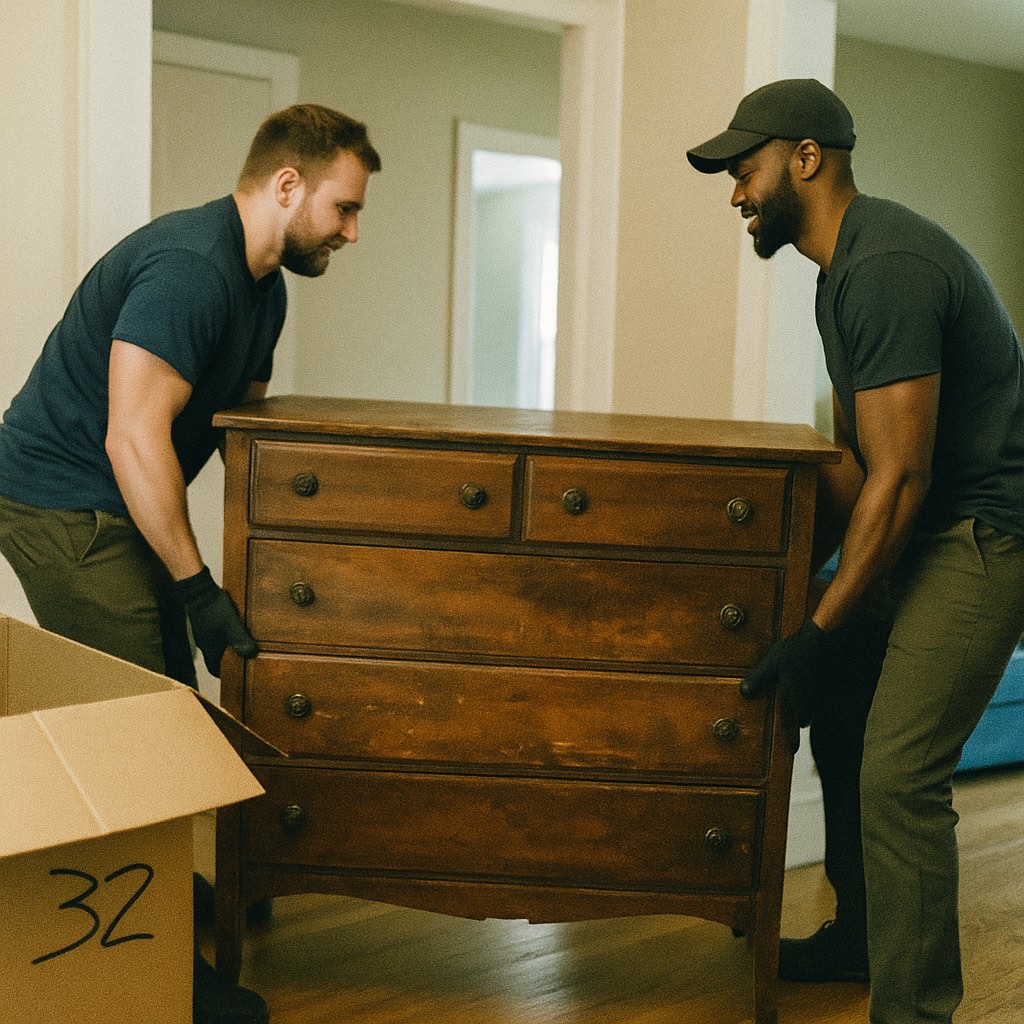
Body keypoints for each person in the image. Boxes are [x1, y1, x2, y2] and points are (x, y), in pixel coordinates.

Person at [0, 103, 381, 1024]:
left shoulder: (266, 287)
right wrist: (197, 589)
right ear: (287, 185)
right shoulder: (190, 271)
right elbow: (134, 438)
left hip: (114, 500)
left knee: (167, 700)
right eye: (344, 207)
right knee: (144, 727)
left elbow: (232, 429)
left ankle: (162, 893)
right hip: (64, 502)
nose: (352, 232)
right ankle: (157, 962)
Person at [687, 78, 1024, 1024]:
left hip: (986, 533)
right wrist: (789, 596)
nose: (737, 193)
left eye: (745, 170)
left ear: (805, 159)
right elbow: (854, 464)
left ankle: (914, 1011)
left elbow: (904, 480)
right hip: (924, 519)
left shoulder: (887, 266)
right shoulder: (841, 273)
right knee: (836, 705)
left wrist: (823, 624)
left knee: (900, 772)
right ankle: (860, 938)